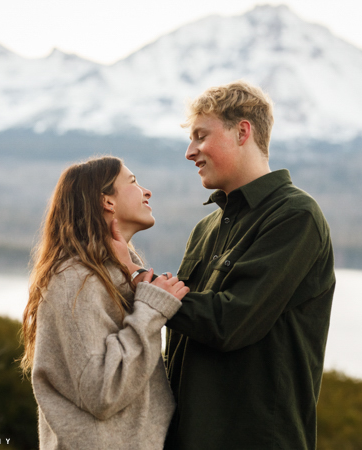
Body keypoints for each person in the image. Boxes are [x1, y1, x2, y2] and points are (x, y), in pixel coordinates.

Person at [111, 80, 335, 449]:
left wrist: (138, 280)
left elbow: (231, 322)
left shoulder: (296, 216)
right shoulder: (206, 228)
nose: (190, 151)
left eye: (201, 136)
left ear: (243, 131)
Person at [20, 156, 189, 450]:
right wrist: (150, 311)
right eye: (134, 182)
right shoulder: (74, 279)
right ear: (107, 201)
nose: (146, 192)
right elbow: (102, 391)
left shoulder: (109, 275)